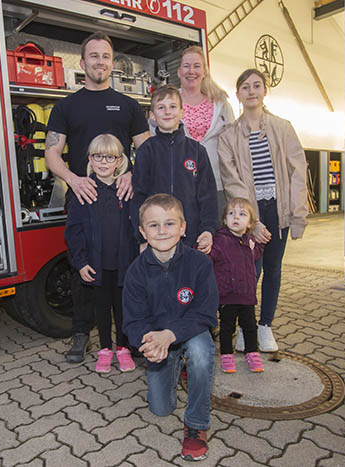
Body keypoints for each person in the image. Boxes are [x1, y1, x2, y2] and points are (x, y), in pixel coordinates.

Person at [45, 31, 150, 363]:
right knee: (82, 266)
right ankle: (81, 334)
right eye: (94, 56)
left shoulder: (129, 106)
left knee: (125, 269)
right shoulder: (66, 106)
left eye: (105, 56)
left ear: (112, 62)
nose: (100, 62)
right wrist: (74, 181)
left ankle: (128, 337)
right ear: (82, 62)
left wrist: (133, 173)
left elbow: (147, 150)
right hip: (83, 196)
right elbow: (52, 154)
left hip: (122, 198)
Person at [217, 68, 308, 352]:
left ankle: (265, 326)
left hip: (276, 208)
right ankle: (246, 328)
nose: (252, 91)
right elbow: (231, 178)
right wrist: (251, 221)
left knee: (273, 269)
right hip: (249, 213)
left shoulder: (283, 128)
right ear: (238, 95)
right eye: (245, 87)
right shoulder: (229, 135)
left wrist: (297, 215)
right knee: (248, 272)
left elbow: (298, 171)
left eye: (257, 85)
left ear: (265, 91)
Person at [123, 194, 218, 461]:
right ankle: (175, 364)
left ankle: (197, 425)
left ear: (183, 227)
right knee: (161, 409)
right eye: (153, 225)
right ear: (142, 231)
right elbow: (132, 322)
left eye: (169, 224)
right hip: (158, 340)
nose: (162, 231)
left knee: (202, 351)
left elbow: (207, 313)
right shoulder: (135, 272)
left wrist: (171, 334)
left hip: (189, 332)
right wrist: (150, 344)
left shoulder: (200, 264)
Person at [64, 134, 137, 373]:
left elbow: (137, 225)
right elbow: (74, 231)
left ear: (119, 161)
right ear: (90, 159)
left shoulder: (126, 190)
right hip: (97, 265)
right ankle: (105, 348)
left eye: (110, 157)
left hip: (124, 264)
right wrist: (81, 262)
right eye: (98, 156)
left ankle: (123, 348)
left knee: (123, 308)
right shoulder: (82, 191)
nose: (103, 162)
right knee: (102, 309)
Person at [132, 85, 218, 255]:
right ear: (153, 116)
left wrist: (208, 230)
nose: (167, 112)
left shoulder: (197, 151)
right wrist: (141, 237)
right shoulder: (146, 151)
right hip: (157, 238)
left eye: (172, 107)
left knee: (188, 281)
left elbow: (208, 195)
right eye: (161, 107)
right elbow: (138, 197)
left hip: (191, 238)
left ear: (181, 112)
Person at [150, 46, 235, 215]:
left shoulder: (221, 103)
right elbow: (153, 144)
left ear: (204, 71)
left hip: (216, 184)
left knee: (214, 235)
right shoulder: (166, 102)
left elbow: (233, 145)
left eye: (197, 66)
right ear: (179, 71)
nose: (191, 71)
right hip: (177, 185)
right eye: (186, 66)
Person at [210, 197, 267, 373]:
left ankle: (252, 354)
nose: (236, 217)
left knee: (250, 326)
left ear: (249, 222)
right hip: (227, 295)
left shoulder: (249, 241)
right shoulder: (220, 240)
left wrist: (260, 243)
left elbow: (255, 255)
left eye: (242, 214)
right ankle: (227, 355)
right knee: (227, 327)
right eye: (231, 213)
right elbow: (209, 257)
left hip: (247, 296)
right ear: (225, 219)